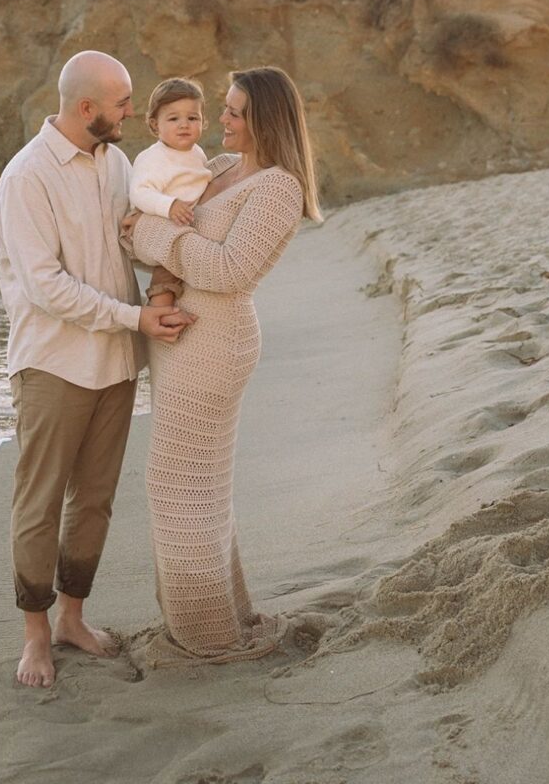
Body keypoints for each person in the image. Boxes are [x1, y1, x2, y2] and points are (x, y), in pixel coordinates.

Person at [0, 50, 195, 689]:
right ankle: (34, 637)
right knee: (40, 502)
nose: (132, 114)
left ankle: (73, 619)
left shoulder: (119, 164)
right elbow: (47, 287)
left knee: (96, 501)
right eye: (122, 103)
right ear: (86, 108)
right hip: (52, 364)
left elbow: (126, 245)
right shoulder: (26, 178)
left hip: (114, 362)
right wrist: (135, 319)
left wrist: (162, 271)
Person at [123, 65, 323, 665]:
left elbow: (229, 272)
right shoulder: (215, 170)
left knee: (177, 488)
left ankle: (206, 638)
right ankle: (221, 617)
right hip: (182, 338)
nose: (220, 120)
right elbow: (137, 232)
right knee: (198, 487)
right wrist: (151, 236)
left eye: (234, 111)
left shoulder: (279, 188)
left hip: (215, 344)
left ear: (264, 117)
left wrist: (156, 240)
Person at [129, 77, 213, 308]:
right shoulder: (153, 158)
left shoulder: (198, 154)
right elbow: (140, 192)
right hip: (161, 228)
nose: (184, 124)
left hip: (186, 227)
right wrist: (169, 205)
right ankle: (158, 312)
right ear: (155, 125)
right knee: (166, 278)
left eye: (192, 118)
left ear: (203, 122)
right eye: (174, 118)